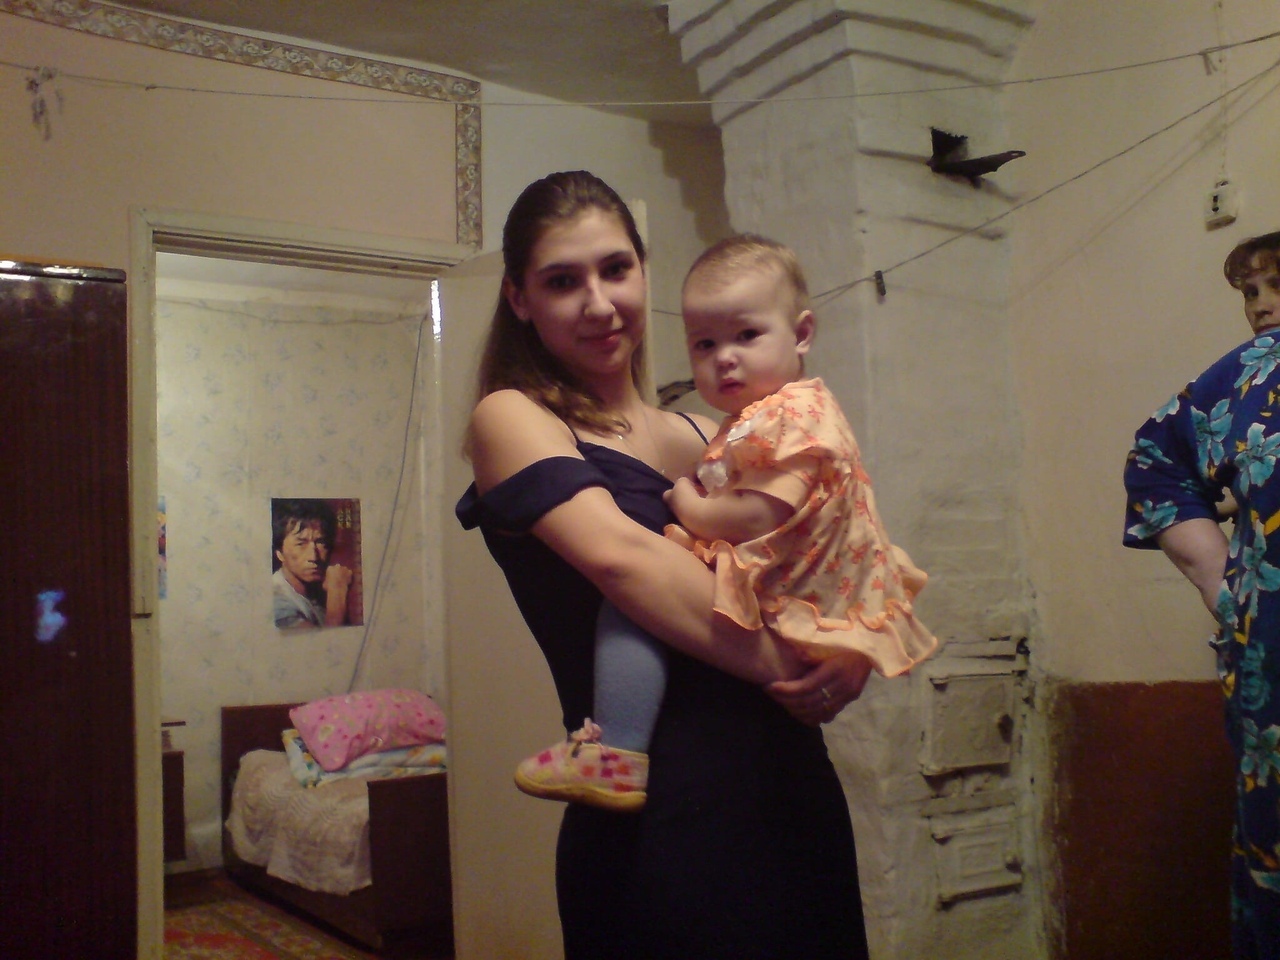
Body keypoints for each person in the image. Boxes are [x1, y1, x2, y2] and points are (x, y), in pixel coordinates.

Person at [455, 170, 872, 959]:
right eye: (563, 281)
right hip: (655, 816)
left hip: (789, 786)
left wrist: (853, 643)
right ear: (519, 299)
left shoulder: (706, 434)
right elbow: (627, 562)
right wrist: (793, 658)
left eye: (616, 269)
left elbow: (817, 548)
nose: (600, 303)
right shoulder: (511, 418)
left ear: (644, 272)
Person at [514, 233, 937, 811]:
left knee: (631, 607)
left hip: (776, 745)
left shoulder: (791, 418)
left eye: (747, 335)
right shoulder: (746, 422)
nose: (725, 357)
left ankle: (617, 748)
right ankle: (617, 749)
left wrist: (689, 506)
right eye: (705, 344)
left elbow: (763, 514)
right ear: (520, 299)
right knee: (632, 602)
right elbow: (627, 562)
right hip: (702, 780)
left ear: (802, 334)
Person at [1123, 230, 1280, 959]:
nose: (1262, 305)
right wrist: (1225, 586)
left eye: (1278, 285)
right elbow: (1155, 461)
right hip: (1270, 668)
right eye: (1251, 291)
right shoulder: (1246, 377)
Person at [271, 498, 352, 629]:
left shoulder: (315, 592)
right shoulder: (277, 602)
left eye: (320, 542)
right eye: (300, 544)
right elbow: (325, 641)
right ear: (279, 553)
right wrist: (337, 590)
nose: (313, 557)